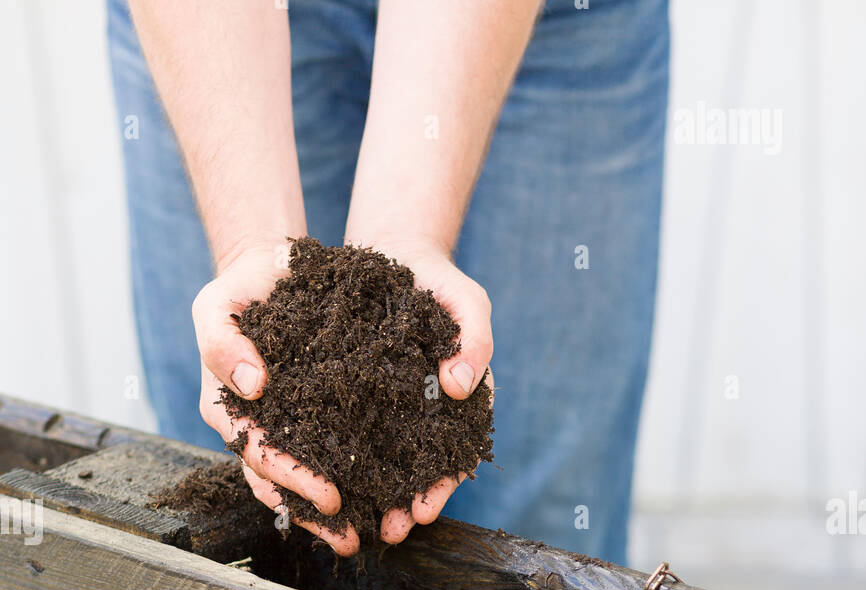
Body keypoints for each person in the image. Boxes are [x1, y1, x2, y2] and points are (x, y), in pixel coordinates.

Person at [108, 0, 669, 561]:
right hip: (212, 27)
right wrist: (248, 247)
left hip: (550, 26)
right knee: (230, 499)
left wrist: (404, 246)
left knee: (540, 525)